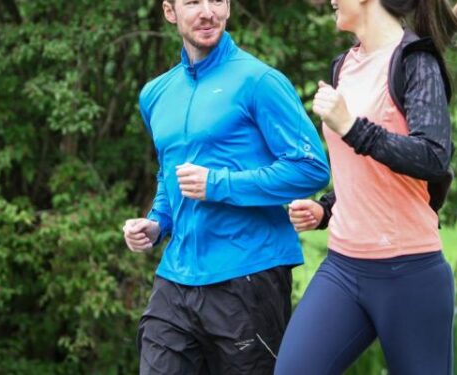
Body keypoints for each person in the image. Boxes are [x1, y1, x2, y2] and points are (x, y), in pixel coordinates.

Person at [122, 0, 330, 373]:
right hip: (176, 277)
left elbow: (311, 167)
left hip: (248, 275)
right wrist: (156, 224)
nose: (207, 11)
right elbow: (169, 174)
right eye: (192, 2)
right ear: (170, 12)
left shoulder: (260, 82)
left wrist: (219, 184)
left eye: (216, 0)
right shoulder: (155, 94)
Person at [275, 0, 457, 374]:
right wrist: (327, 209)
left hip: (409, 272)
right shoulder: (345, 66)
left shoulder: (415, 61)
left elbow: (433, 156)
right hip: (343, 268)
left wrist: (353, 127)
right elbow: (365, 173)